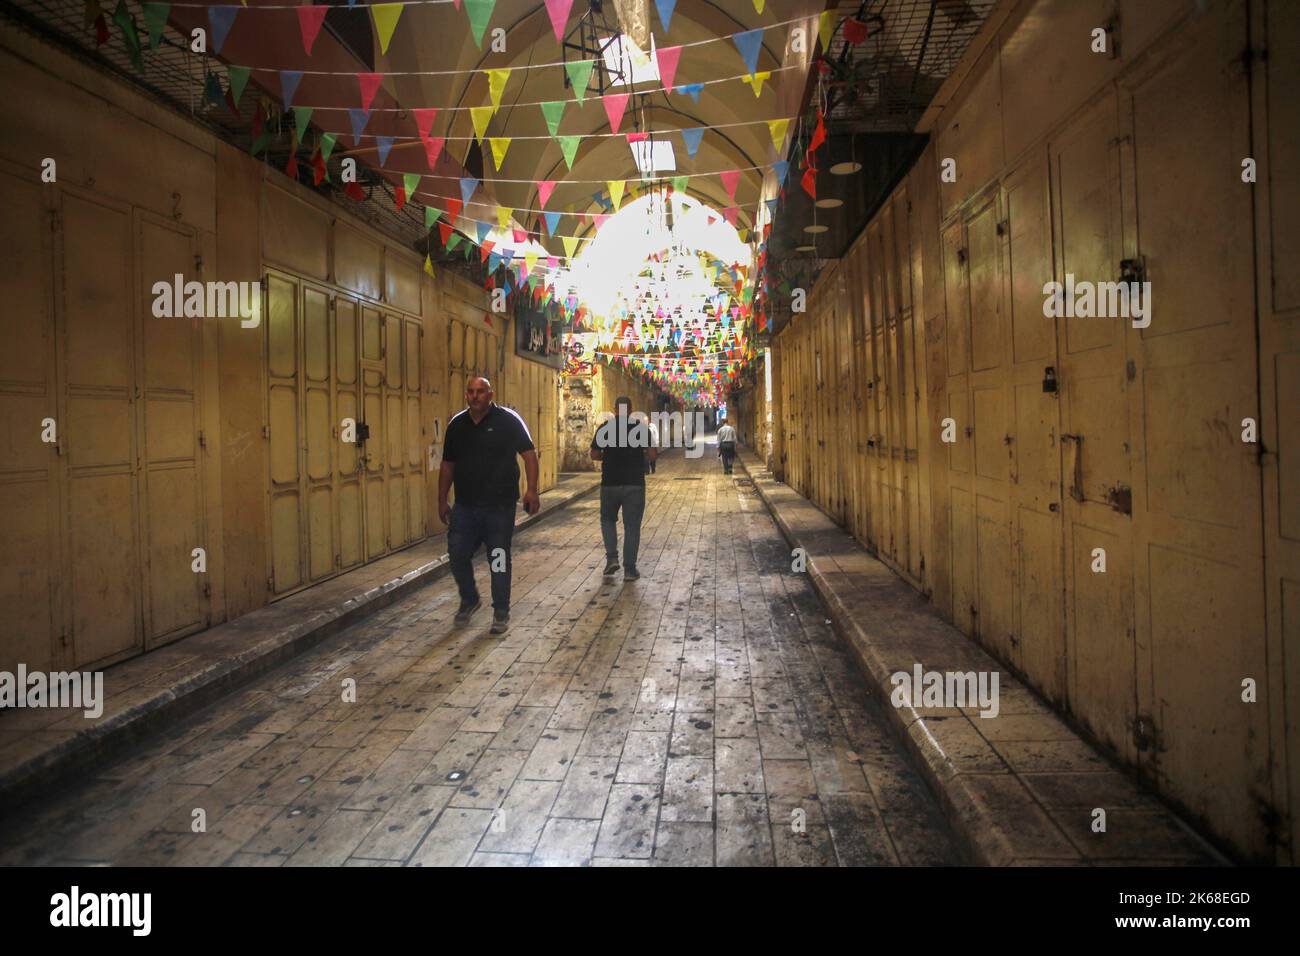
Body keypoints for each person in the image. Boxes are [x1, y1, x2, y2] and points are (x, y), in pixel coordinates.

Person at [438, 376, 540, 635]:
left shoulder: (508, 421)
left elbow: (529, 455)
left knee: (498, 557)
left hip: (499, 506)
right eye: (470, 391)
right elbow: (447, 465)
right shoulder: (457, 425)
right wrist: (441, 499)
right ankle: (470, 598)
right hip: (465, 505)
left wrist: (531, 490)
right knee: (457, 553)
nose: (475, 396)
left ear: (490, 394)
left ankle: (501, 610)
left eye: (480, 392)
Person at [591, 397, 655, 580]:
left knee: (608, 520)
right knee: (632, 526)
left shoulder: (605, 428)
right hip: (634, 484)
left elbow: (594, 454)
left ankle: (612, 558)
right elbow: (652, 455)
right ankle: (629, 570)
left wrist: (609, 456)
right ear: (631, 409)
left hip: (610, 483)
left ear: (614, 410)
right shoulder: (641, 429)